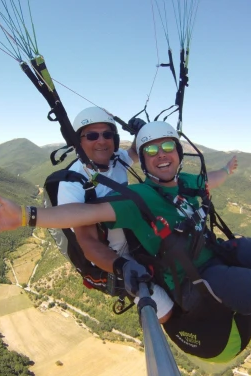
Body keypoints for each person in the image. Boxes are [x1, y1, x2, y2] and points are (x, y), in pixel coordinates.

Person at [0, 121, 251, 376]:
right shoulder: (139, 199)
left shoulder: (188, 183)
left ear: (178, 154)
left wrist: (227, 168)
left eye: (167, 149)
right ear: (143, 163)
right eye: (151, 152)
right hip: (200, 274)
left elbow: (212, 181)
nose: (161, 156)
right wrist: (26, 215)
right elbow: (85, 212)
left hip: (215, 250)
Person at [54, 106, 174, 322]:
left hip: (140, 238)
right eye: (92, 135)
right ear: (78, 142)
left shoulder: (116, 160)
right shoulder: (73, 184)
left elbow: (139, 152)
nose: (101, 141)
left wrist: (142, 132)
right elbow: (88, 242)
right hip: (119, 257)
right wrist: (122, 266)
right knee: (165, 313)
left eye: (107, 134)